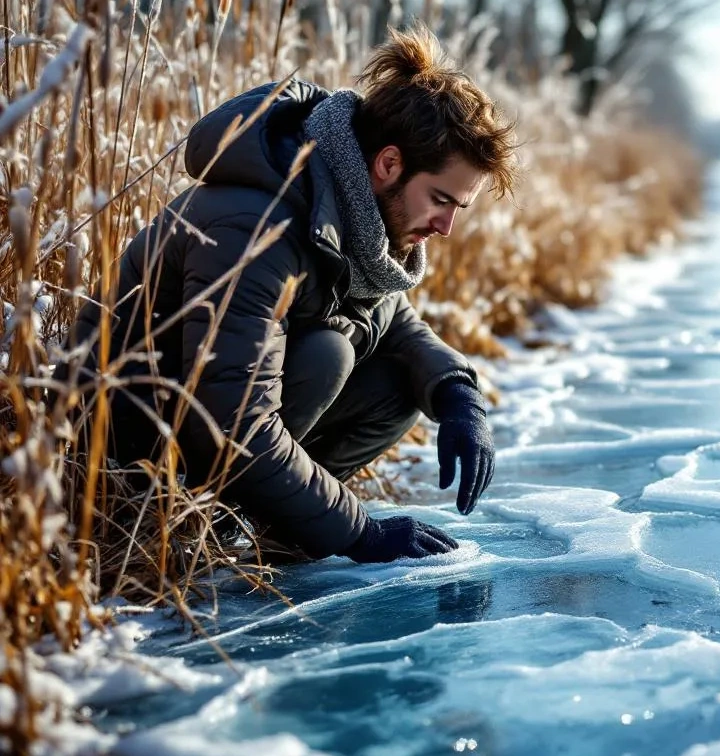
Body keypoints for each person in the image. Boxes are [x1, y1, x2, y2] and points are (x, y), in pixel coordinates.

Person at [63, 25, 518, 563]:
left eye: (456, 209)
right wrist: (358, 532)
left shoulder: (350, 209)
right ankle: (201, 531)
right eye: (441, 200)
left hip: (207, 428)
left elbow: (398, 326)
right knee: (331, 353)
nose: (445, 228)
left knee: (402, 380)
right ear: (389, 164)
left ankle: (273, 526)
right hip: (127, 457)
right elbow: (232, 425)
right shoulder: (256, 223)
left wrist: (460, 396)